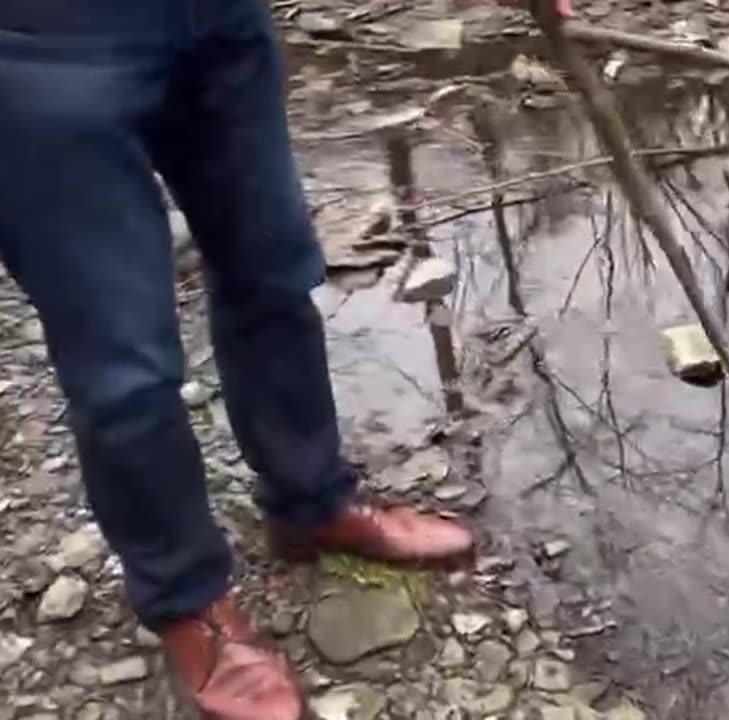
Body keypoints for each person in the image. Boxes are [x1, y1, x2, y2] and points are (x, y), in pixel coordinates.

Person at [0, 0, 558, 717]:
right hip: (40, 47)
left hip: (218, 24)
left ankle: (311, 502)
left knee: (273, 273)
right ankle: (187, 604)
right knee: (123, 368)